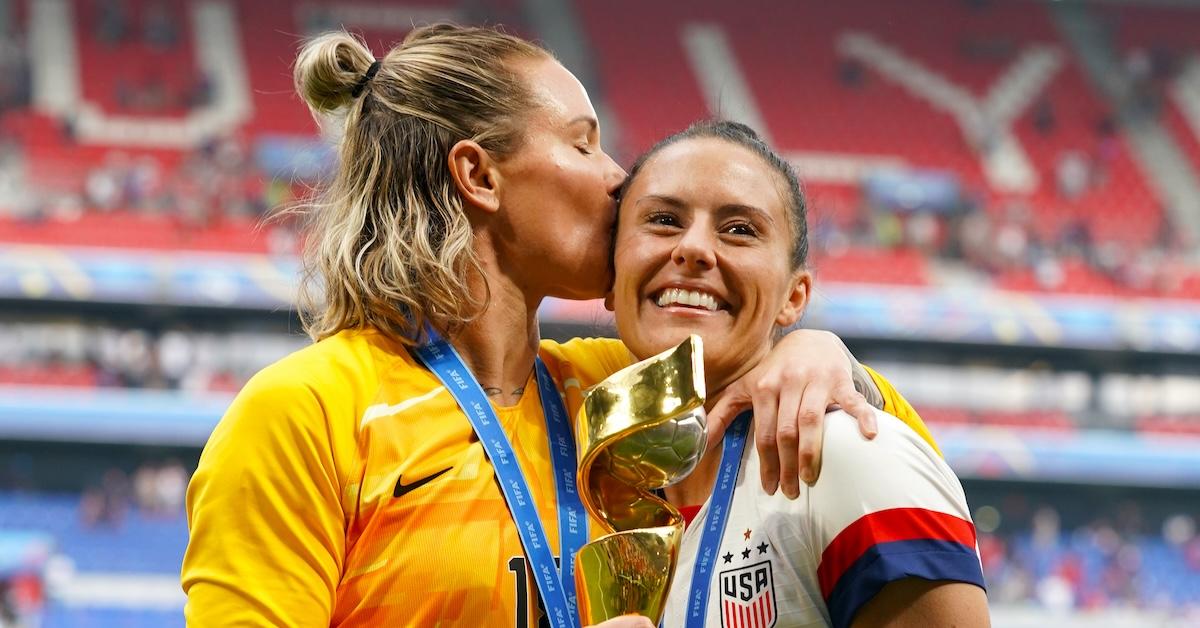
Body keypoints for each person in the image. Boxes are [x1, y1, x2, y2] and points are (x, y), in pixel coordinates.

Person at [182, 26, 933, 627]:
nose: (618, 176)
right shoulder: (306, 412)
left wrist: (815, 353)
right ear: (479, 177)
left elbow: (889, 448)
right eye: (583, 142)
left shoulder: (616, 388)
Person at [605, 121, 988, 627]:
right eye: (662, 219)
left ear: (794, 297)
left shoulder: (849, 457)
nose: (693, 248)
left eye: (739, 229)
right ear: (609, 276)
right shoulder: (583, 477)